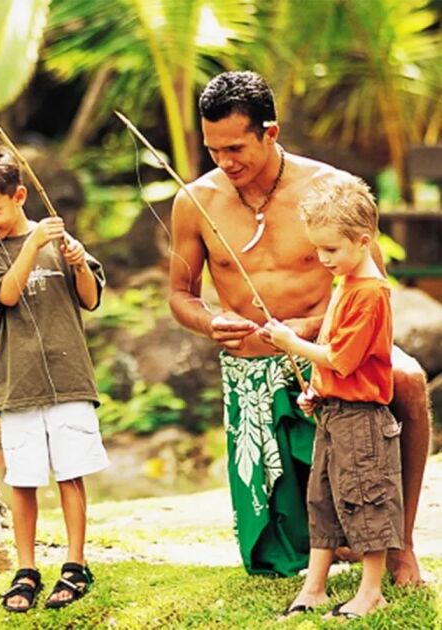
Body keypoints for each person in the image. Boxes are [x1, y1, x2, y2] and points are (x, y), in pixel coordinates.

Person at [169, 70, 429, 583]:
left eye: (236, 147)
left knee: (410, 380)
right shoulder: (195, 201)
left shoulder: (330, 189)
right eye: (213, 149)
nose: (225, 162)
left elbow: (374, 284)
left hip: (331, 347)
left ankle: (401, 544)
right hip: (251, 362)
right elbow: (179, 295)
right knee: (276, 556)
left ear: (271, 132)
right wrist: (208, 321)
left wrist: (311, 328)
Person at [0, 148, 109, 612]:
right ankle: (26, 569)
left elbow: (90, 299)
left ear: (19, 195)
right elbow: (5, 294)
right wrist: (30, 247)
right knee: (22, 479)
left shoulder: (58, 243)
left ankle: (75, 564)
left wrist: (78, 261)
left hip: (69, 379)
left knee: (70, 474)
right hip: (15, 384)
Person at [264, 176, 402, 620]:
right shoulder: (345, 284)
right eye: (318, 249)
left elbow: (342, 358)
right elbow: (334, 362)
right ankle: (315, 587)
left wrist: (289, 341)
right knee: (321, 498)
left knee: (365, 499)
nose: (323, 259)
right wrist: (317, 390)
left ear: (363, 242)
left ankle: (371, 591)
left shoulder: (371, 294)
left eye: (331, 250)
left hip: (362, 420)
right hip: (334, 413)